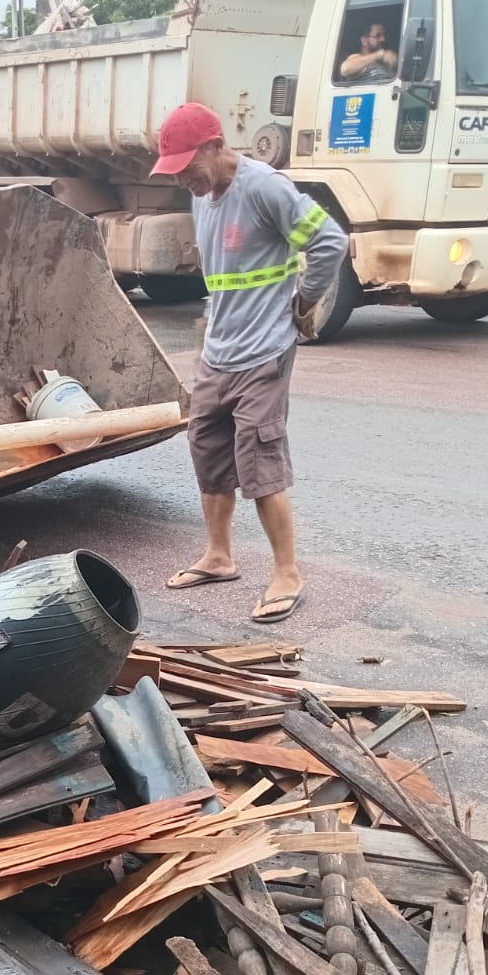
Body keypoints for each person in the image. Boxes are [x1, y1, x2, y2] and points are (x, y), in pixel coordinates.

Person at [153, 103, 347, 623]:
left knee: (259, 461)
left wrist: (304, 302)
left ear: (216, 147)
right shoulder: (203, 195)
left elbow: (331, 240)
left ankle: (288, 572)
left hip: (264, 350)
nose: (185, 181)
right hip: (219, 352)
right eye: (175, 173)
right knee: (208, 448)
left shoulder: (264, 187)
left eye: (189, 168)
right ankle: (219, 556)